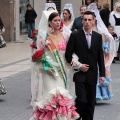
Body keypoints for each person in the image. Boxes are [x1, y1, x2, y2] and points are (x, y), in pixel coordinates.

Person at [30, 11, 79, 120]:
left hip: (61, 70)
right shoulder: (44, 36)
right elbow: (38, 55)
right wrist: (46, 68)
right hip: (49, 71)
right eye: (55, 21)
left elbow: (71, 52)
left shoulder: (66, 35)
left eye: (59, 20)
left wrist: (74, 60)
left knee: (61, 97)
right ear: (50, 23)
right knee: (51, 96)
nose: (58, 22)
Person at [65, 11, 105, 120]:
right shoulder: (75, 35)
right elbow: (68, 55)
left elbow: (100, 57)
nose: (87, 22)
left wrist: (102, 74)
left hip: (92, 74)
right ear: (82, 21)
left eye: (89, 20)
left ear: (93, 21)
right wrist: (78, 65)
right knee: (82, 100)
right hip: (79, 74)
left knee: (90, 103)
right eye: (85, 20)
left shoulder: (97, 37)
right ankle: (77, 117)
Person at [87, 3, 115, 101]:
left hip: (97, 56)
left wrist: (106, 46)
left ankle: (98, 94)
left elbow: (108, 38)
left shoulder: (100, 30)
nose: (89, 21)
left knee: (99, 74)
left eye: (91, 19)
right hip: (87, 55)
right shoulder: (86, 28)